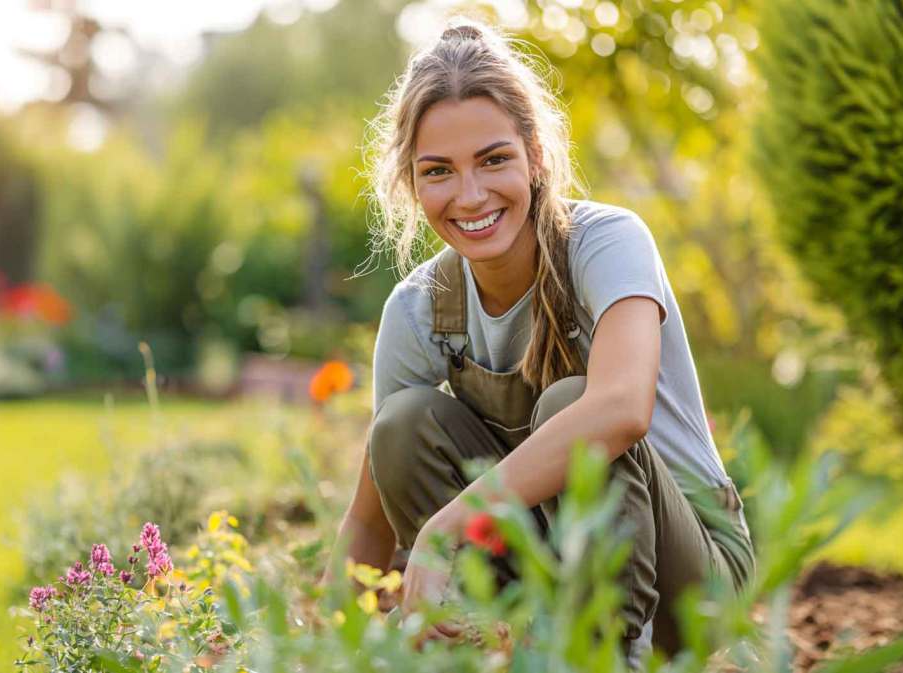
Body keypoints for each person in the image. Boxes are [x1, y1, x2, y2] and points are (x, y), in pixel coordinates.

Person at [322, 17, 755, 662]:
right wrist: (317, 652)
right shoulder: (420, 308)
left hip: (692, 589)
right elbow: (367, 516)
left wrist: (447, 528)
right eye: (438, 171)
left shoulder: (606, 244)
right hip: (548, 578)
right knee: (402, 425)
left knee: (575, 408)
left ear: (537, 155)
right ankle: (503, 650)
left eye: (494, 160)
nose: (470, 196)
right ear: (413, 184)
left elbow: (621, 411)